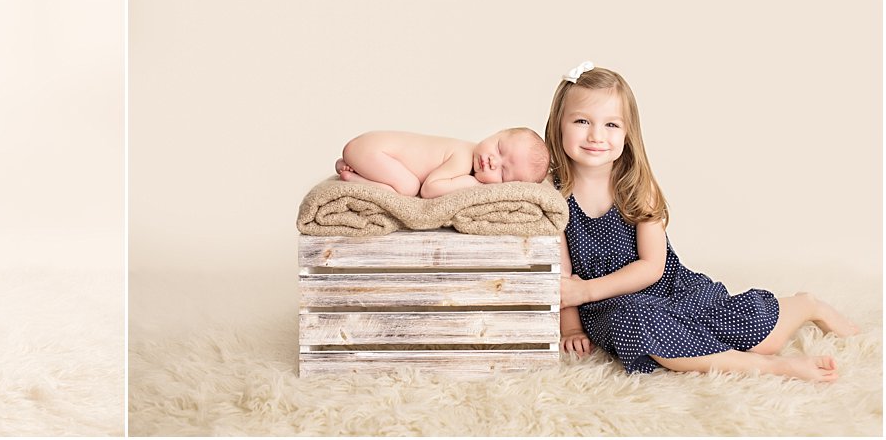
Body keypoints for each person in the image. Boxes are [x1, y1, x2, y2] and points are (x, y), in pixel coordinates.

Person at [548, 61, 857, 381]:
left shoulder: (636, 188)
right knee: (636, 320)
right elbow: (564, 280)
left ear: (628, 133)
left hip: (668, 290)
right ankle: (775, 368)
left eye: (611, 125)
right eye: (582, 121)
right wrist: (571, 326)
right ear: (559, 124)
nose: (596, 135)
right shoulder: (552, 196)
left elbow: (652, 266)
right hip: (609, 308)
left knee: (761, 335)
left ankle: (806, 305)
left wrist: (585, 292)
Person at [334, 128, 551, 198]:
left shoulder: (467, 153)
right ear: (497, 133)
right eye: (499, 148)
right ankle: (354, 177)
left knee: (405, 182)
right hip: (373, 150)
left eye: (503, 173)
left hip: (368, 149)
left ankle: (354, 165)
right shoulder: (463, 156)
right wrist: (473, 184)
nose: (493, 161)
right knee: (409, 188)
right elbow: (430, 189)